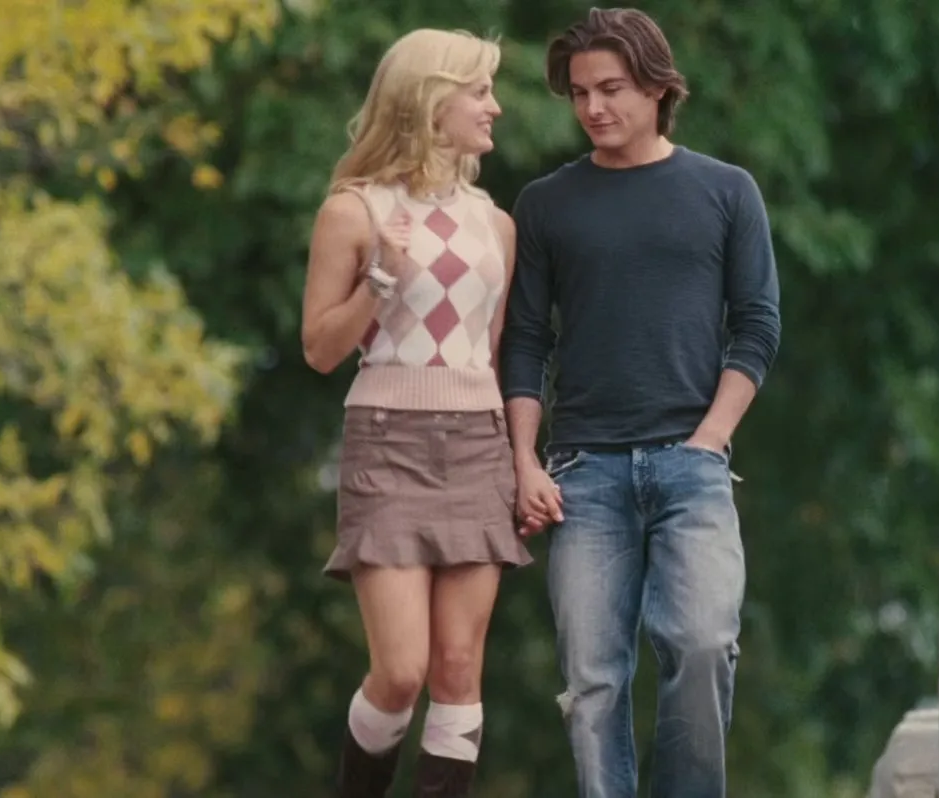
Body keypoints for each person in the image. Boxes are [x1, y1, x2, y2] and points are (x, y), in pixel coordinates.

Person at [498, 7, 781, 796]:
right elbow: (526, 341)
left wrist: (710, 439)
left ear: (658, 87)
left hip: (693, 466)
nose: (593, 107)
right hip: (582, 472)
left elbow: (757, 326)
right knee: (592, 682)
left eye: (611, 88)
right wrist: (523, 462)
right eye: (579, 93)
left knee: (701, 644)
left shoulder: (726, 191)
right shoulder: (546, 204)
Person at [299, 27, 529, 798]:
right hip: (387, 442)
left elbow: (491, 357)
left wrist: (520, 462)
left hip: (476, 447)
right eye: (480, 92)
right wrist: (383, 281)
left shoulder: (496, 225)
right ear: (432, 100)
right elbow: (319, 349)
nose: (495, 107)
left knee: (459, 669)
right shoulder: (353, 211)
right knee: (401, 672)